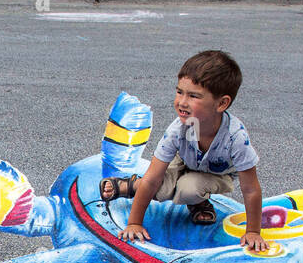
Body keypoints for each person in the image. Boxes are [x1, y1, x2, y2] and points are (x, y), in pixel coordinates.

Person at [105, 50, 267, 252]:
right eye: (180, 92)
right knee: (160, 188)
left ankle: (198, 201)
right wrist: (134, 223)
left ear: (222, 103)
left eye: (193, 96)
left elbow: (251, 189)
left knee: (188, 189)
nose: (182, 102)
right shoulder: (178, 129)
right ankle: (132, 185)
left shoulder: (235, 137)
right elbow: (153, 178)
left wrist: (253, 232)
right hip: (184, 160)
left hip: (216, 174)